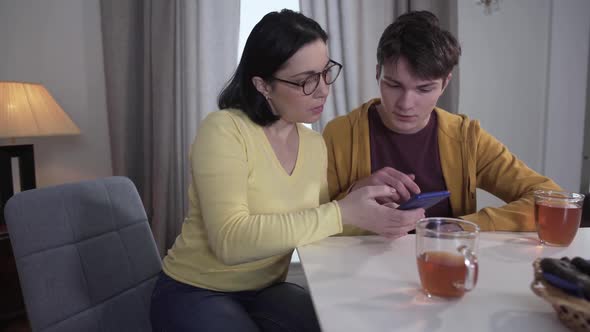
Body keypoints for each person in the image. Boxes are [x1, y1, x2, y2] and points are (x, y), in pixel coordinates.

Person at [150, 9, 424, 332]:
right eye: (306, 80)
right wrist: (342, 212)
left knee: (342, 322)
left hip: (266, 290)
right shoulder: (224, 130)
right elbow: (230, 241)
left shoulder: (312, 144)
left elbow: (317, 224)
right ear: (263, 85)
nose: (323, 89)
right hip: (195, 289)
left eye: (325, 73)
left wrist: (367, 206)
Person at [323, 10, 562, 234]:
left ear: (445, 83)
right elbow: (310, 224)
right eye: (394, 85)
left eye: (424, 88)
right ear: (378, 74)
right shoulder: (340, 134)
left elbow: (552, 198)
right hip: (357, 271)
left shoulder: (466, 138)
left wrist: (463, 227)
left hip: (441, 265)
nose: (406, 103)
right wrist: (355, 194)